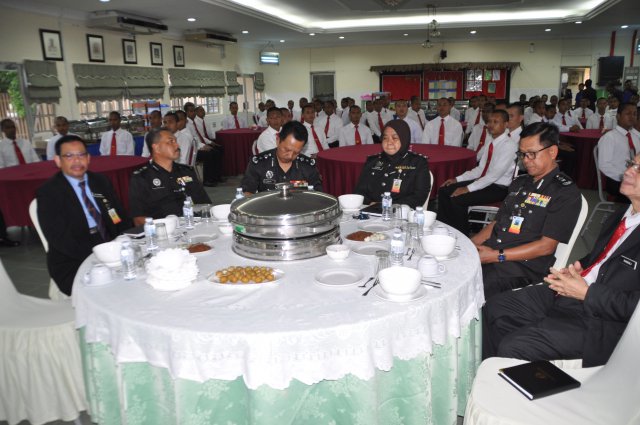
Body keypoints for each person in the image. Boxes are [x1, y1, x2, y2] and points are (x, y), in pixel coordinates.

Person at [483, 154, 640, 367]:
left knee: (515, 345)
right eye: (631, 164)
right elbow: (601, 259)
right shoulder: (623, 214)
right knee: (495, 308)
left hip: (605, 322)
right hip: (574, 295)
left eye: (639, 169)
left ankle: (516, 389)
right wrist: (578, 268)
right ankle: (492, 379)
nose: (629, 171)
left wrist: (587, 292)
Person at [471, 122, 581, 299]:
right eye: (522, 154)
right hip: (493, 253)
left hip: (522, 268)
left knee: (472, 287)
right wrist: (470, 245)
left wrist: (496, 256)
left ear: (552, 152)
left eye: (532, 154)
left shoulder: (565, 192)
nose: (526, 160)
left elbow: (546, 246)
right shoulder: (520, 183)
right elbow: (496, 223)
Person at [37, 134, 130, 295]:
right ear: (58, 160)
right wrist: (101, 255)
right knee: (109, 290)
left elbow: (118, 216)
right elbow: (60, 239)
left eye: (81, 155)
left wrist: (126, 241)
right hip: (72, 259)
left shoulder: (100, 181)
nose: (77, 161)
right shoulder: (49, 192)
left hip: (108, 243)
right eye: (69, 156)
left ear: (88, 158)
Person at [438, 110, 517, 235]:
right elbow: (480, 169)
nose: (491, 125)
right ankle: (443, 228)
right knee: (444, 190)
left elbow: (493, 176)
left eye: (496, 122)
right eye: (489, 121)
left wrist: (467, 188)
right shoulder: (491, 143)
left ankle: (461, 234)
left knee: (457, 198)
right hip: (485, 182)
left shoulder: (509, 146)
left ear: (506, 124)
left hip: (498, 188)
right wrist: (457, 179)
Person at [128, 128, 211, 226]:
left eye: (176, 141)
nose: (177, 145)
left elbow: (205, 205)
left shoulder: (186, 172)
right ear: (157, 148)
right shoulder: (142, 177)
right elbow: (139, 219)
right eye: (170, 142)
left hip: (193, 226)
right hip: (163, 233)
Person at [353, 119, 430, 209]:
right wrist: (370, 204)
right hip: (370, 213)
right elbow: (359, 192)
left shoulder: (418, 163)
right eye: (385, 138)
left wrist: (386, 206)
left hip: (400, 216)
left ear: (404, 138)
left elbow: (419, 197)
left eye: (395, 138)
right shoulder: (372, 161)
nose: (389, 142)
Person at [241, 121, 322, 194]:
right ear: (277, 140)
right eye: (286, 149)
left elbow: (318, 194)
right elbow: (247, 192)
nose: (290, 156)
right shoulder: (259, 163)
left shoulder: (308, 166)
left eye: (296, 153)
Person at [597, 103, 640, 203]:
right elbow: (604, 165)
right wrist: (625, 176)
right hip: (617, 180)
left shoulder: (635, 137)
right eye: (628, 113)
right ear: (618, 116)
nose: (632, 117)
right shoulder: (609, 137)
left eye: (634, 114)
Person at [182, 105, 224, 186]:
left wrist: (210, 143)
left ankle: (216, 176)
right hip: (193, 149)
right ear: (186, 113)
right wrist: (202, 146)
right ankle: (207, 179)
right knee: (209, 154)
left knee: (218, 150)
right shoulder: (187, 124)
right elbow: (192, 140)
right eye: (191, 111)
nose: (193, 113)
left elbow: (200, 136)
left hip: (199, 144)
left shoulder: (193, 122)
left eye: (194, 111)